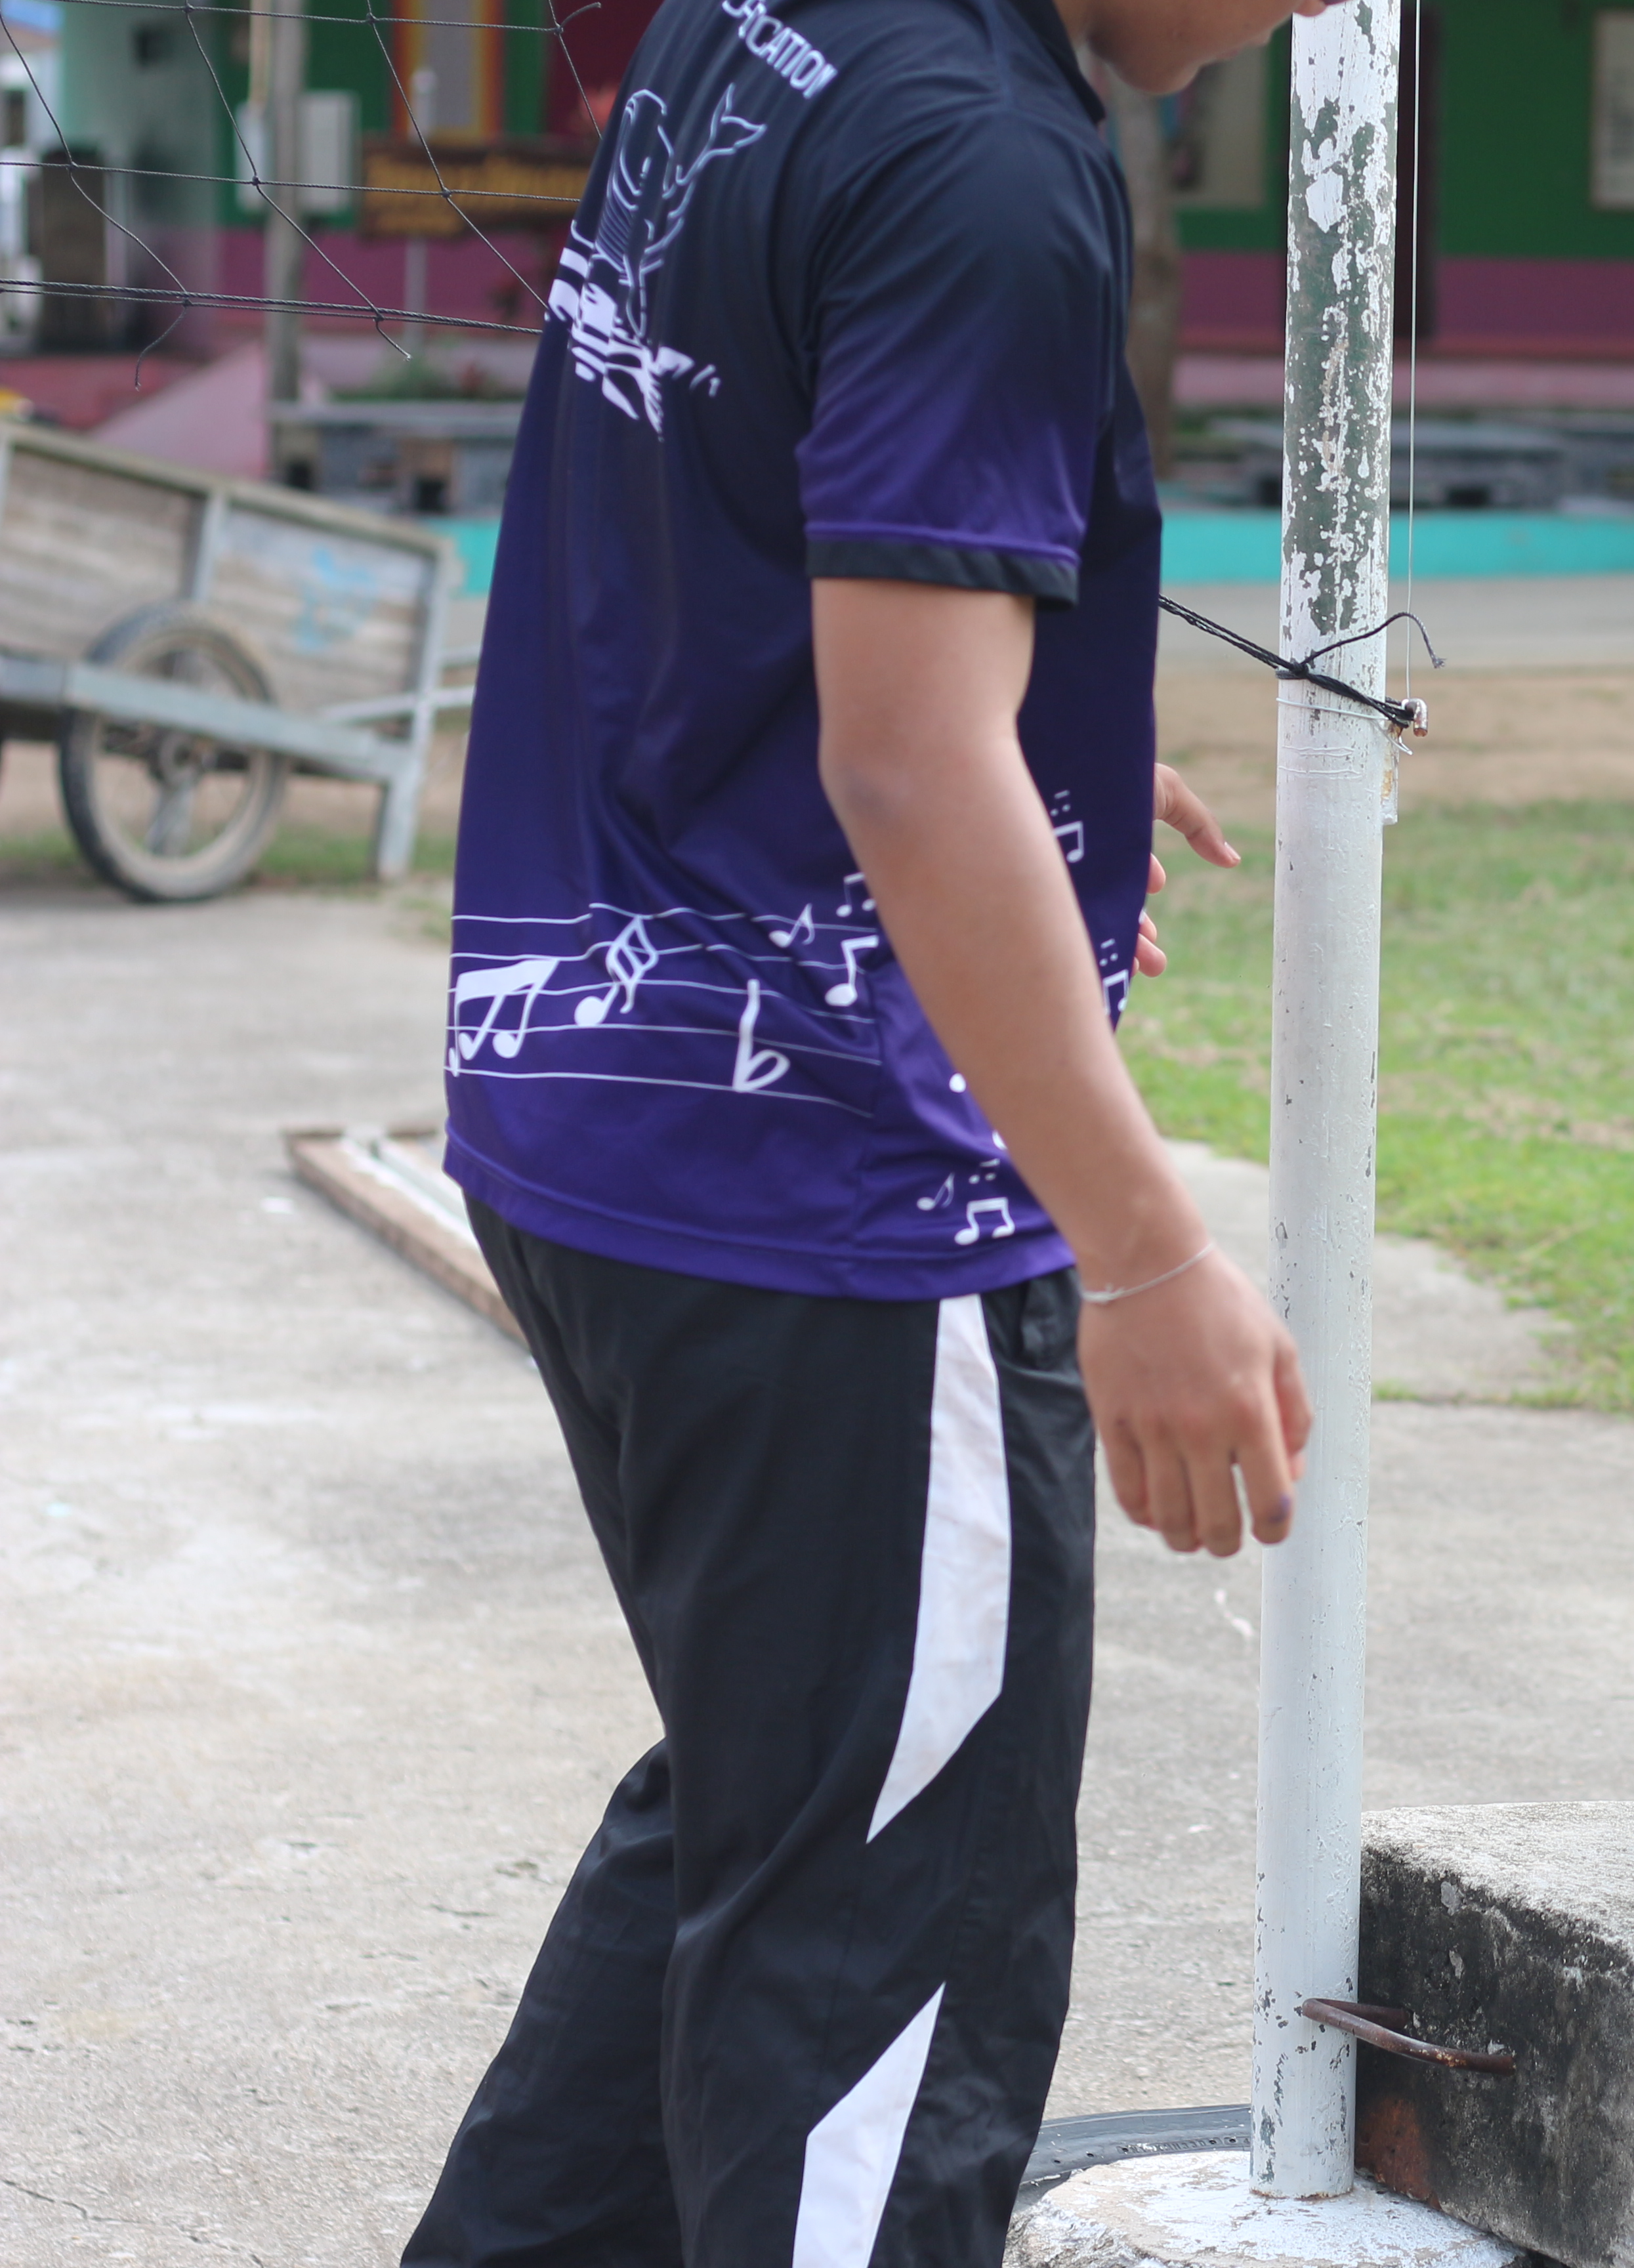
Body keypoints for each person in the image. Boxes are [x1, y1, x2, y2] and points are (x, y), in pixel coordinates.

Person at [409, 0, 1343, 2259]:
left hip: (599, 1105)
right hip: (831, 1185)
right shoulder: (988, 161)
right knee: (882, 1947)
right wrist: (1145, 1249)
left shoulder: (779, 28)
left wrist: (1050, 753)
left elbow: (752, 522)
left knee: (774, 1819)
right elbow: (908, 764)